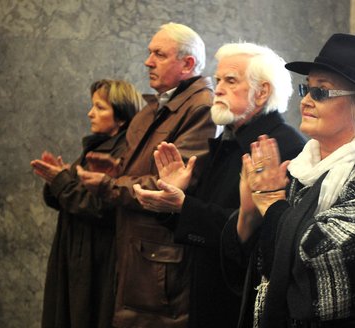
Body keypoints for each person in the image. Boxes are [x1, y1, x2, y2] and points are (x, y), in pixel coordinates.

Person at [221, 33, 355, 327]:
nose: (306, 101)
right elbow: (265, 263)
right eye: (306, 89)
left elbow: (320, 257)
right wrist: (249, 213)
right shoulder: (304, 166)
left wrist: (272, 204)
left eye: (321, 92)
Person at [131, 42, 306, 327]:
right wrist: (175, 199)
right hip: (207, 292)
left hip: (241, 304)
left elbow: (257, 233)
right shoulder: (231, 140)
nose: (218, 89)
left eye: (231, 81)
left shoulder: (281, 147)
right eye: (219, 80)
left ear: (261, 93)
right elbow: (205, 220)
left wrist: (184, 205)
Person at [76, 23, 218, 327]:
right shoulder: (153, 107)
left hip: (160, 259)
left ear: (188, 64)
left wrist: (110, 184)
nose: (147, 61)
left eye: (159, 54)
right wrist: (116, 169)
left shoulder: (202, 108)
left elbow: (169, 184)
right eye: (149, 52)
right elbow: (144, 170)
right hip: (136, 251)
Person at [31, 79, 142, 328]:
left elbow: (98, 207)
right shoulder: (97, 145)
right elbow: (64, 199)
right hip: (77, 251)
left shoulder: (124, 152)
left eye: (100, 107)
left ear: (122, 117)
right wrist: (56, 180)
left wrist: (61, 180)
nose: (90, 113)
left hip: (98, 258)